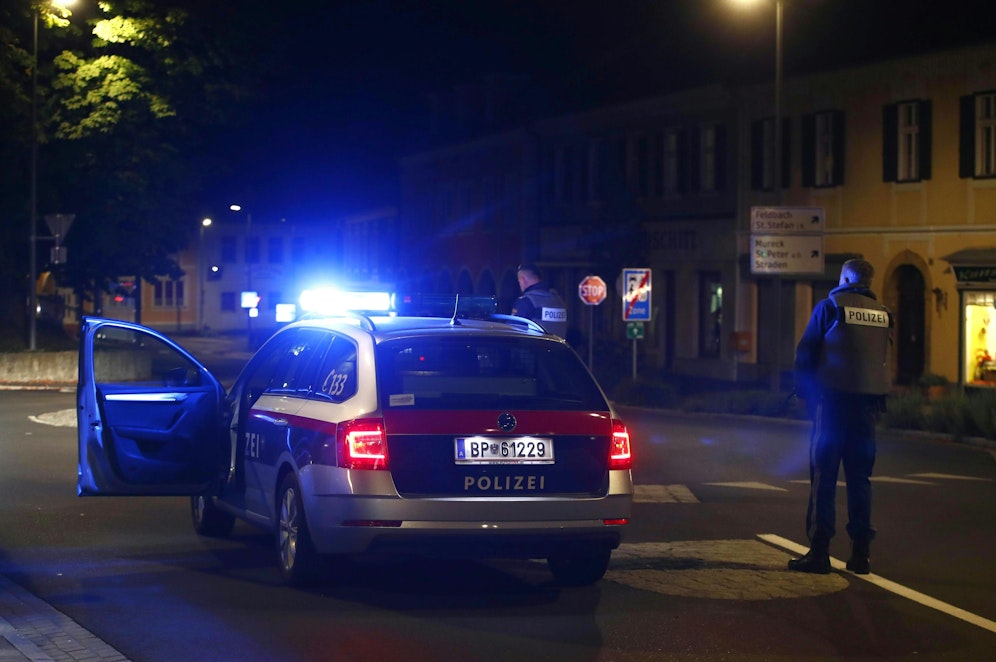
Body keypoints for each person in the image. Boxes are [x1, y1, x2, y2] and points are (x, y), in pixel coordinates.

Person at [790, 259, 892, 575]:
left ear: (845, 277)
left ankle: (820, 552)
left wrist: (804, 394)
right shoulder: (884, 314)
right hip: (868, 409)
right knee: (860, 479)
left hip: (832, 405)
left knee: (825, 477)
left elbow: (805, 354)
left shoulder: (830, 307)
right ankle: (861, 555)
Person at [511, 263, 568, 338]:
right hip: (559, 348)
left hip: (533, 348)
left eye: (519, 281)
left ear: (523, 279)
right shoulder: (558, 299)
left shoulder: (526, 301)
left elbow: (512, 330)